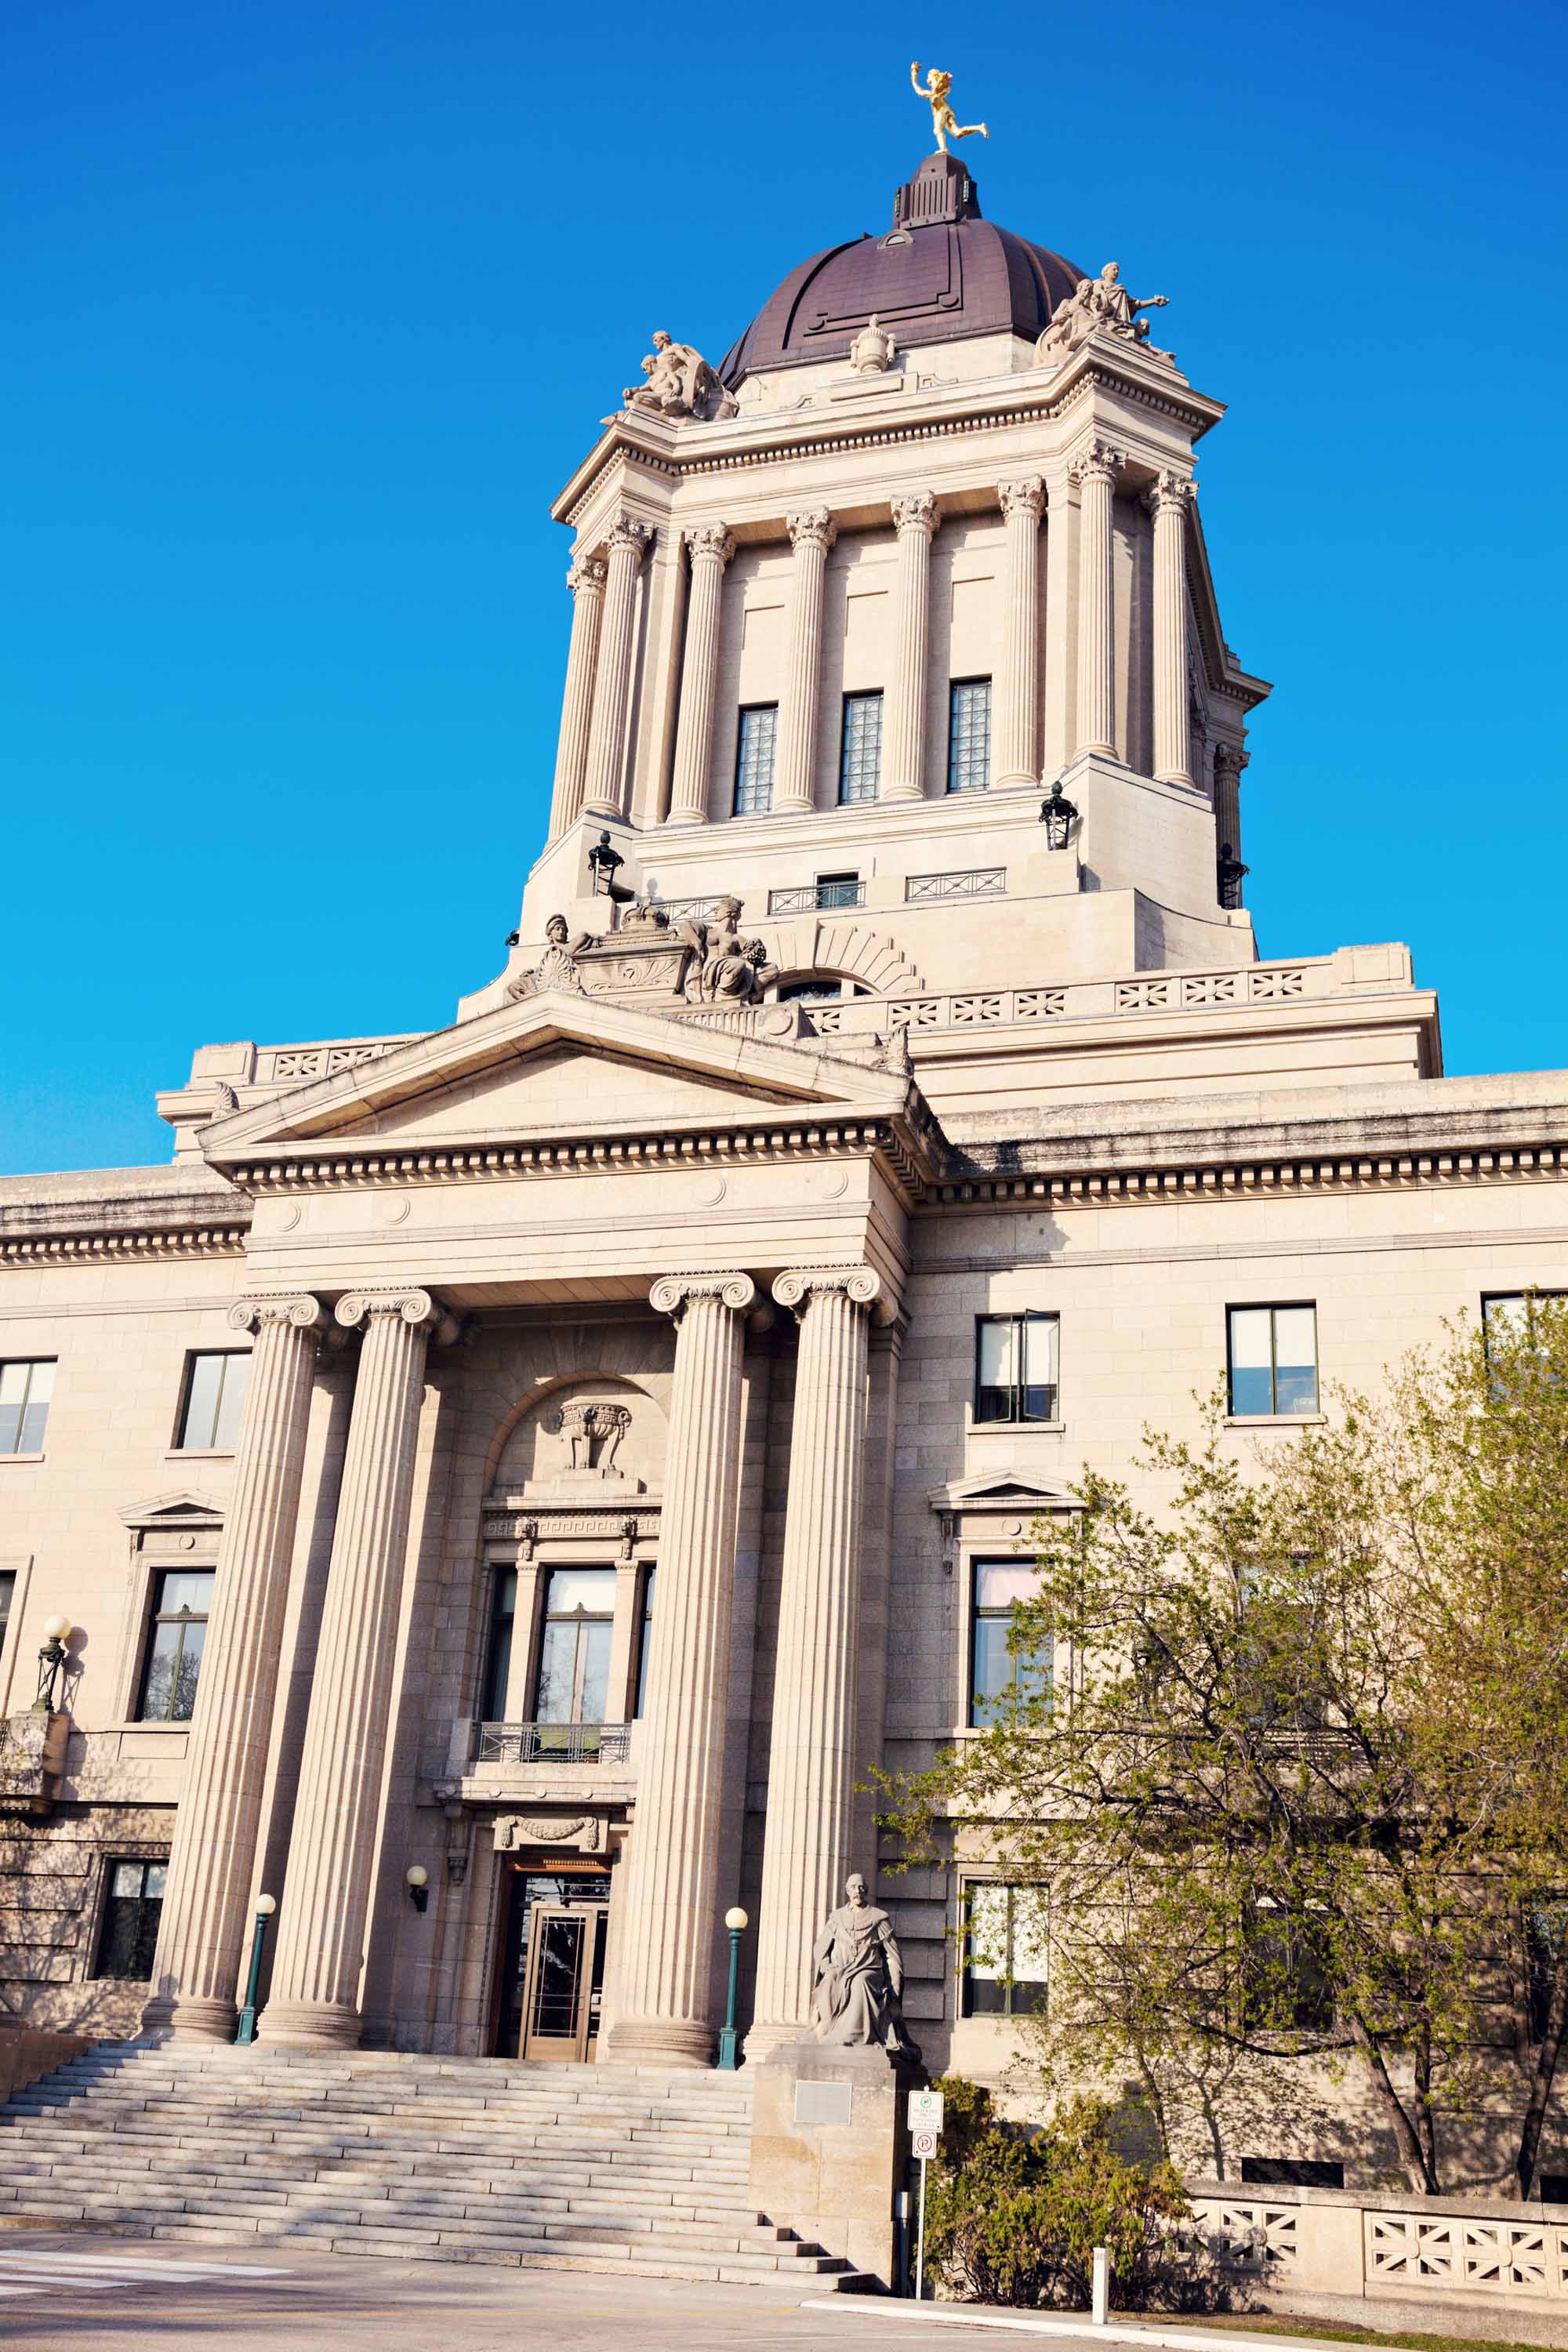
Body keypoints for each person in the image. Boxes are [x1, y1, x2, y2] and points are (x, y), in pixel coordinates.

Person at [810, 1873, 923, 2060]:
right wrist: (827, 1966)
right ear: (847, 1891)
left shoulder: (879, 1918)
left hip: (870, 1971)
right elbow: (820, 1949)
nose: (858, 1891)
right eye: (853, 1887)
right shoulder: (837, 1918)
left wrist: (895, 1986)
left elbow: (892, 1956)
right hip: (840, 1970)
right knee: (829, 1982)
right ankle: (829, 2032)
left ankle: (854, 2035)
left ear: (866, 1891)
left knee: (859, 1983)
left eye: (861, 1887)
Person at [910, 62, 987, 155]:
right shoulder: (931, 93)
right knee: (957, 133)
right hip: (947, 109)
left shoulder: (935, 92)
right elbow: (917, 87)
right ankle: (979, 127)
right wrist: (914, 71)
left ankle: (943, 149)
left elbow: (927, 90)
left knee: (937, 130)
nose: (928, 80)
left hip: (941, 110)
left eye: (929, 77)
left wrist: (914, 71)